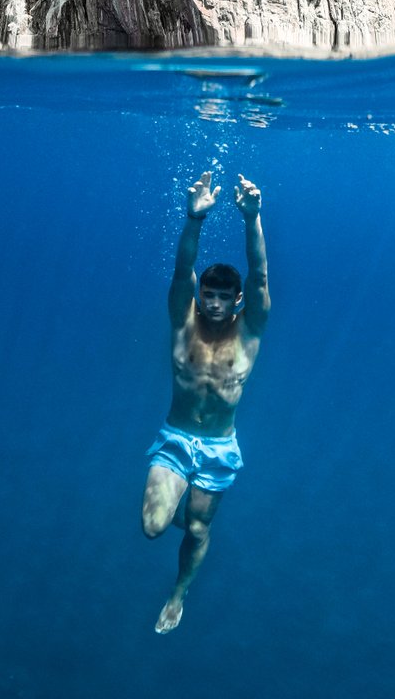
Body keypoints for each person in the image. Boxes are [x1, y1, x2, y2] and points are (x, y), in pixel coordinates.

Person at [141, 169, 270, 633]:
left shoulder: (248, 332)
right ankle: (182, 498)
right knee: (154, 526)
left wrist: (251, 219)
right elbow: (181, 272)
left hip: (218, 448)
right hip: (176, 439)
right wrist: (193, 221)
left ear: (236, 302)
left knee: (196, 530)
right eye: (207, 295)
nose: (213, 304)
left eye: (222, 298)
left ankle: (178, 593)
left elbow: (258, 278)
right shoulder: (183, 323)